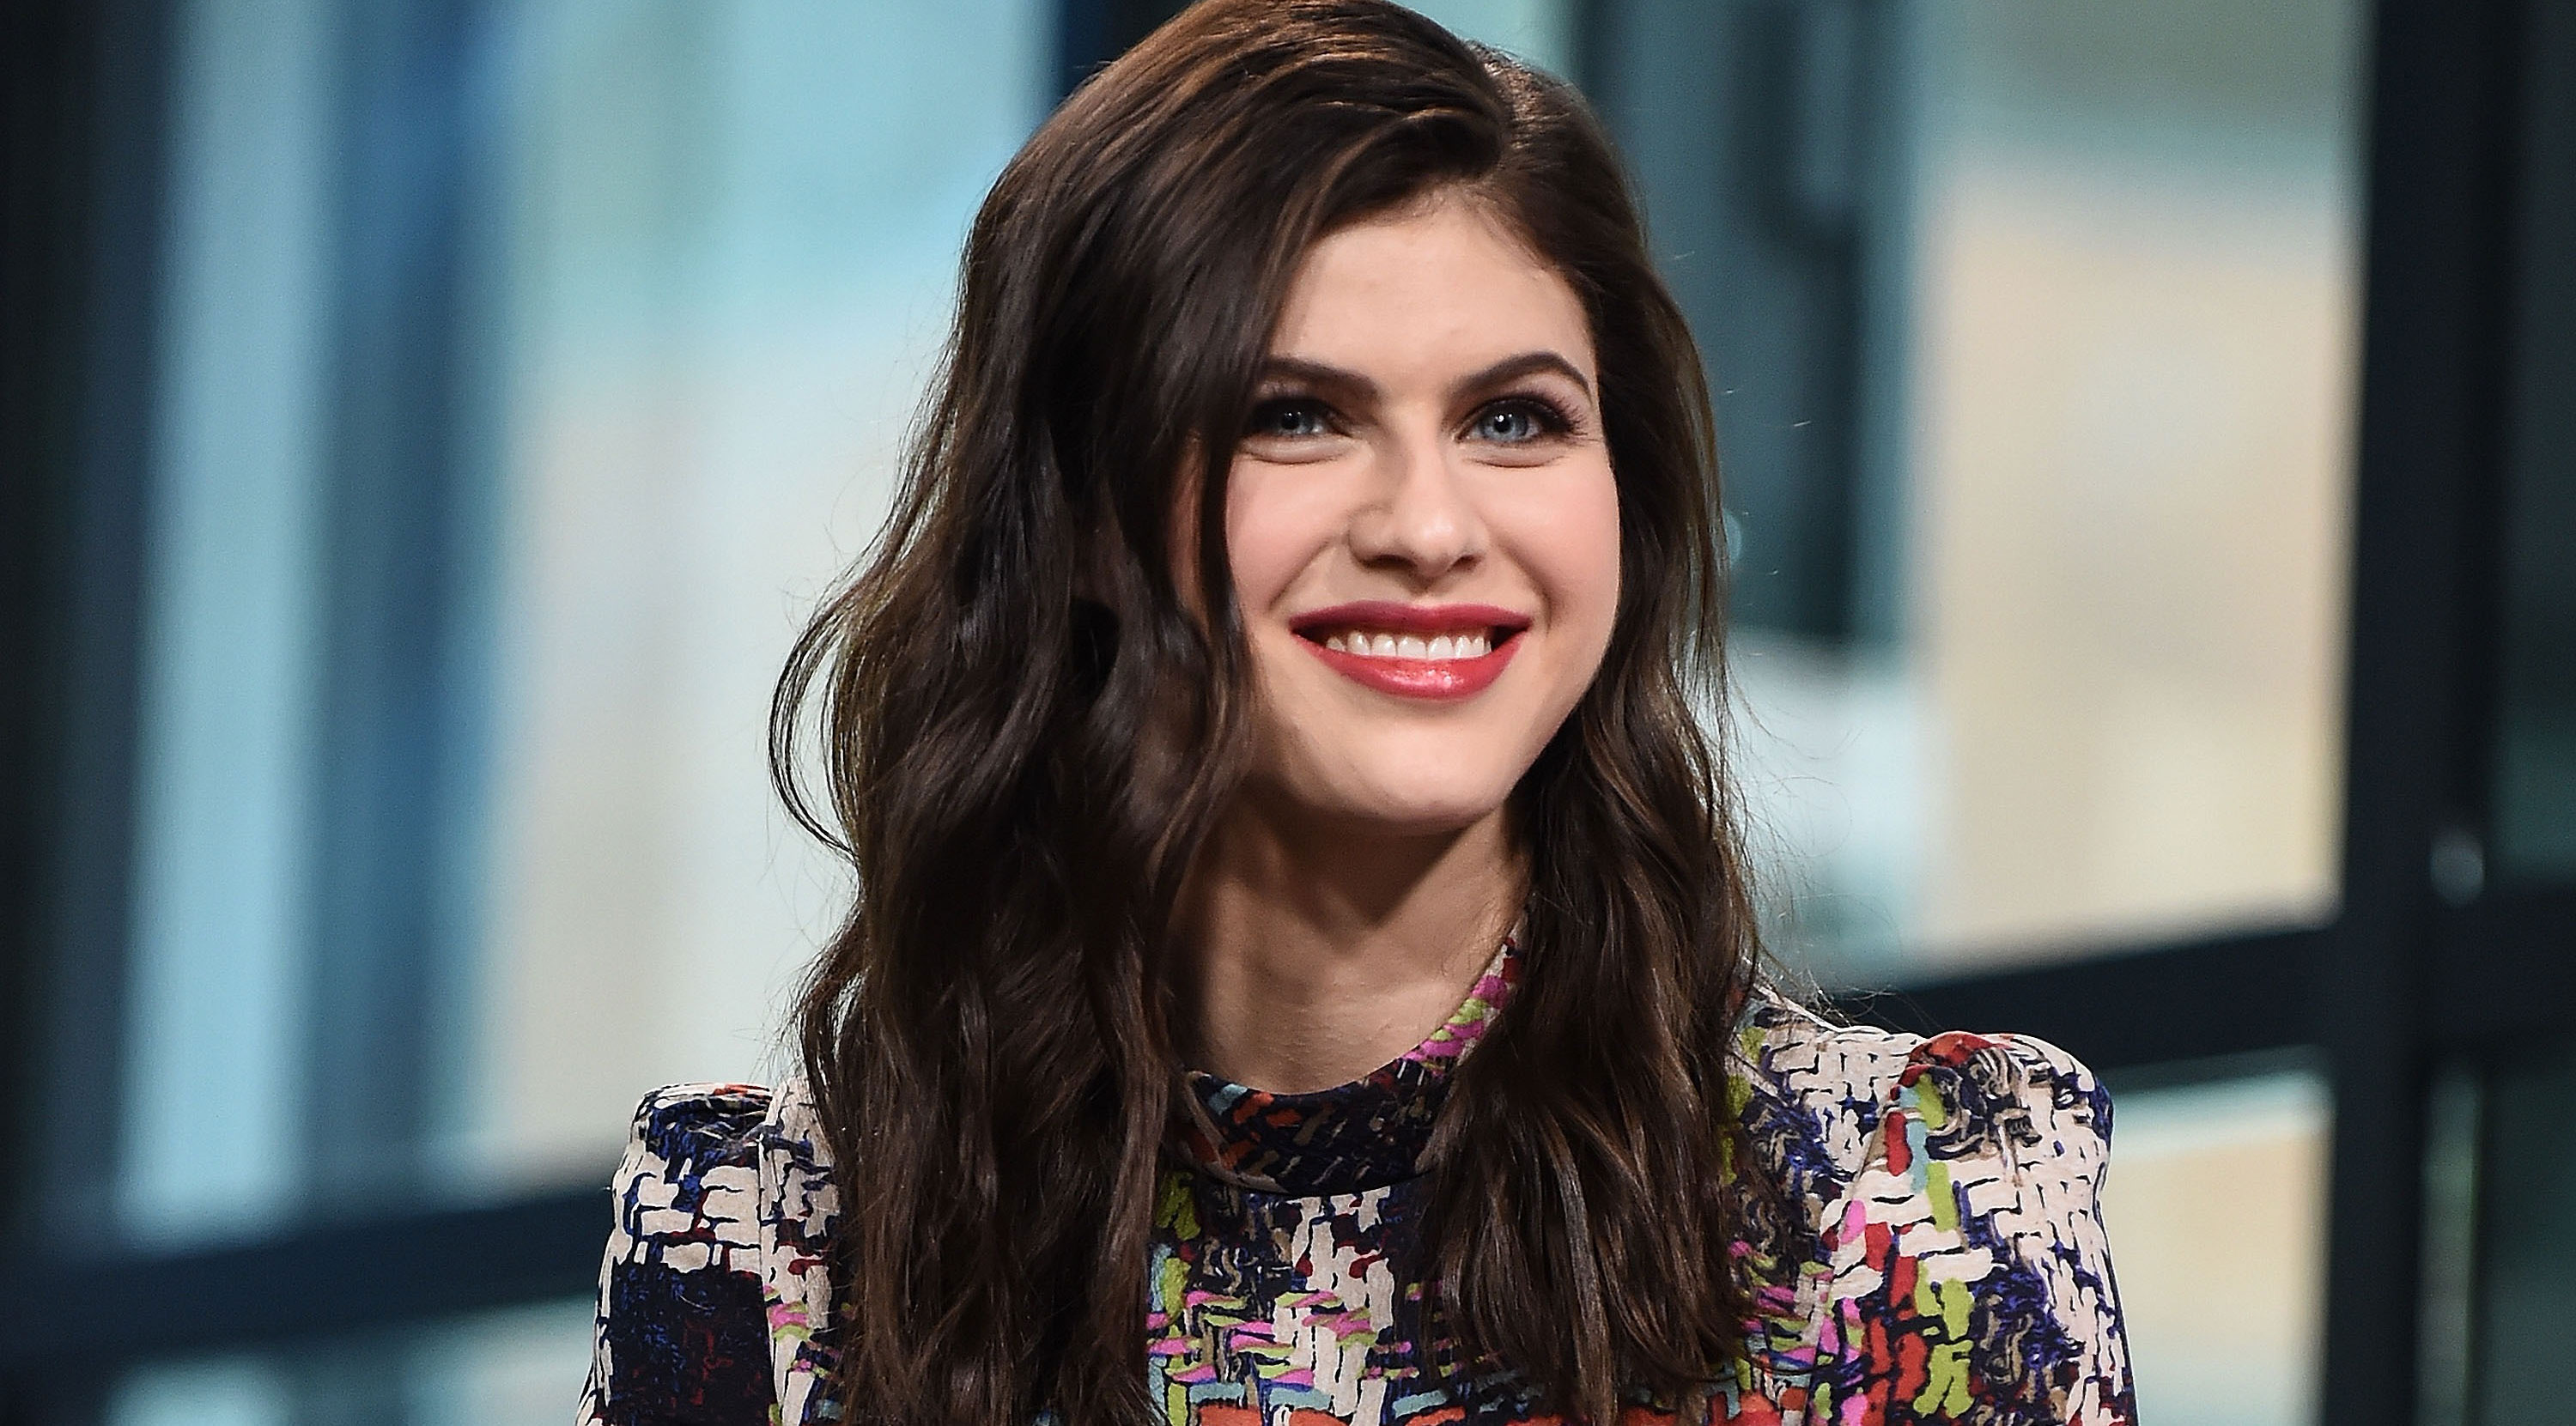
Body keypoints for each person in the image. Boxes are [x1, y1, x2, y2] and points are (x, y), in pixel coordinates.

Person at [577, 3, 2132, 1423]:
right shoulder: (767, 1241)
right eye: (1297, 417)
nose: (1429, 526)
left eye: (1513, 419)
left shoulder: (1909, 1202)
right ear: (1086, 517)